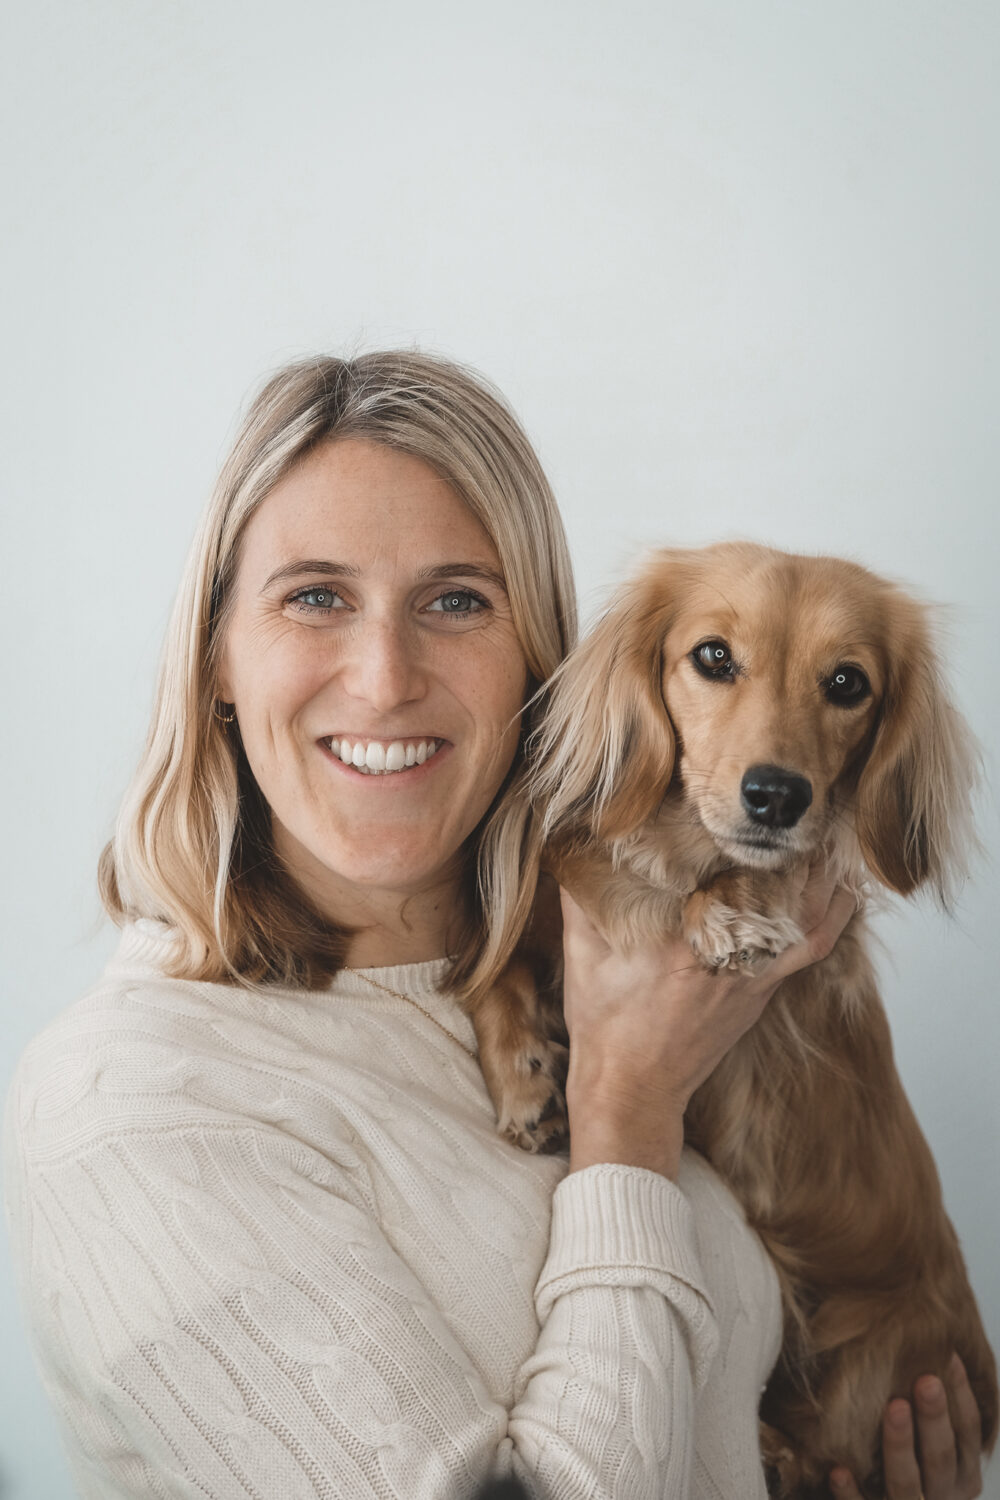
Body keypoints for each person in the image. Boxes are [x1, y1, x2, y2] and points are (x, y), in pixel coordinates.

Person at [3, 352, 984, 1500]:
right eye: (314, 595)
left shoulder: (630, 981)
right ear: (217, 654)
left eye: (457, 600)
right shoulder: (135, 1111)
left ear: (536, 657)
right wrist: (626, 1111)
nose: (383, 679)